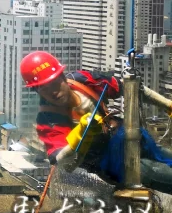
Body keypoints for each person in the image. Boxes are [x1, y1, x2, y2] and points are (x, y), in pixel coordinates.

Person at [21, 50, 172, 194]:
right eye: (44, 89)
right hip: (112, 164)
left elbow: (129, 87)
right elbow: (64, 163)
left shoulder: (83, 80)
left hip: (130, 138)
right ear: (37, 91)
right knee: (150, 171)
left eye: (54, 83)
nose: (53, 92)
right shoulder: (48, 121)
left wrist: (167, 105)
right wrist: (81, 135)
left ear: (62, 77)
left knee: (166, 156)